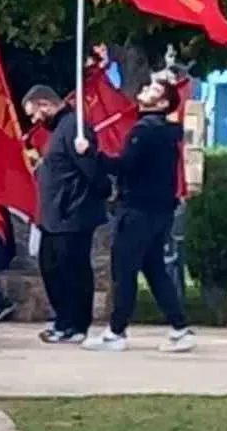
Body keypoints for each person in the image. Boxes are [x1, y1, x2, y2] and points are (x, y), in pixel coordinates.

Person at [82, 77, 197, 353]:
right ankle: (180, 328)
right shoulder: (166, 133)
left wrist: (91, 154)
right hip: (159, 211)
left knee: (124, 270)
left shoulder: (144, 131)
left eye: (153, 90)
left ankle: (116, 332)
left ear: (162, 103)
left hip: (137, 211)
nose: (144, 90)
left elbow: (124, 167)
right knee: (155, 270)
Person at [23, 84, 107, 345]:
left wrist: (96, 192)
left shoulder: (73, 127)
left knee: (72, 269)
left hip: (72, 211)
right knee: (51, 266)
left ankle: (75, 324)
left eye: (34, 114)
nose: (35, 121)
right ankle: (63, 318)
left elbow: (90, 170)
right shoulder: (60, 129)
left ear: (44, 105)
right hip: (55, 214)